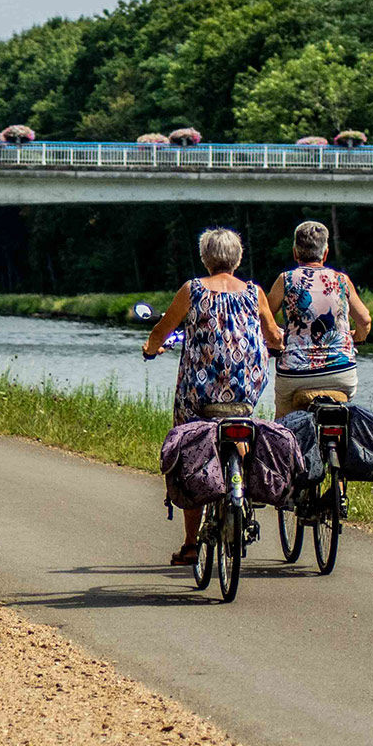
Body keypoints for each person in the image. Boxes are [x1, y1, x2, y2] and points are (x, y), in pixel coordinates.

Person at [141, 228, 284, 567]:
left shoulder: (192, 290)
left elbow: (163, 329)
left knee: (191, 449)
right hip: (244, 388)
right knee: (242, 425)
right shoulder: (255, 292)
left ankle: (191, 544)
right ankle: (242, 492)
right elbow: (272, 333)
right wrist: (276, 344)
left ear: (205, 258)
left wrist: (151, 348)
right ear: (237, 259)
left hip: (199, 390)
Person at [267, 220, 372, 415]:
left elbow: (265, 319)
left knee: (283, 424)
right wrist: (357, 338)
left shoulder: (286, 280)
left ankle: (284, 442)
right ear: (325, 253)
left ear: (295, 252)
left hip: (295, 373)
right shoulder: (342, 280)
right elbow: (365, 320)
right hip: (341, 373)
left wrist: (275, 341)